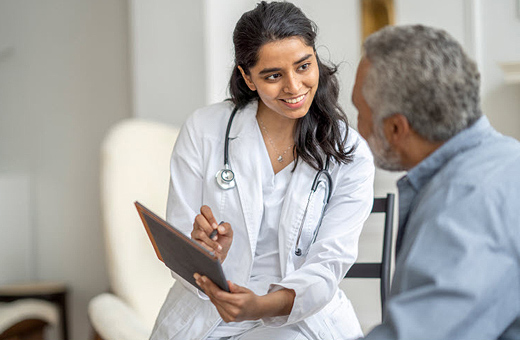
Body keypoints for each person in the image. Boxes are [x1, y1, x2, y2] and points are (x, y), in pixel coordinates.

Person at [150, 2, 375, 340]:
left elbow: (328, 265)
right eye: (273, 75)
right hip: (208, 314)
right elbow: (180, 245)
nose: (294, 87)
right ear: (247, 78)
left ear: (315, 58)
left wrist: (261, 305)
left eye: (303, 66)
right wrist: (206, 255)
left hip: (297, 317)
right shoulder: (204, 130)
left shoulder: (350, 153)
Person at [352, 24, 520, 340]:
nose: (356, 128)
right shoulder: (508, 157)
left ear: (395, 129)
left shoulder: (464, 203)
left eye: (360, 112)